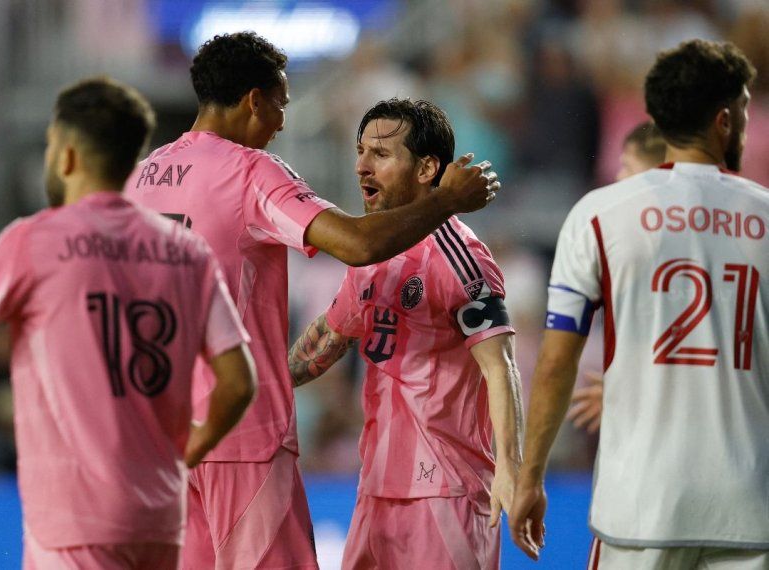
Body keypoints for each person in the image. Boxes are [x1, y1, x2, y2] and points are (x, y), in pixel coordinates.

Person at [124, 33, 501, 569]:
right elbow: (358, 244)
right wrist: (447, 199)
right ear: (254, 99)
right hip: (239, 431)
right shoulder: (250, 172)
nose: (281, 121)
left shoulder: (143, 177)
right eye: (280, 102)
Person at [0, 77, 257, 569]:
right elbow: (239, 382)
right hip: (158, 519)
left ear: (68, 156)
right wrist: (196, 441)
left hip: (74, 520)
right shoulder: (185, 251)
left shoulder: (34, 241)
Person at [510, 39, 768, 569]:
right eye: (743, 107)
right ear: (723, 119)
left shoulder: (602, 213)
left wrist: (530, 476)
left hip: (640, 505)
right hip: (749, 505)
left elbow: (558, 359)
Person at [288, 98, 523, 569]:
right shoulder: (369, 249)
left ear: (426, 168)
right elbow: (326, 342)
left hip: (445, 492)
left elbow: (501, 367)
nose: (360, 166)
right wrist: (249, 384)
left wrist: (512, 468)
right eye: (359, 152)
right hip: (374, 488)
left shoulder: (461, 256)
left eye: (380, 154)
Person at [568, 120, 668, 433]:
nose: (619, 176)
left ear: (659, 172)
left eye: (628, 166)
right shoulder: (638, 240)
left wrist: (627, 392)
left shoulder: (661, 248)